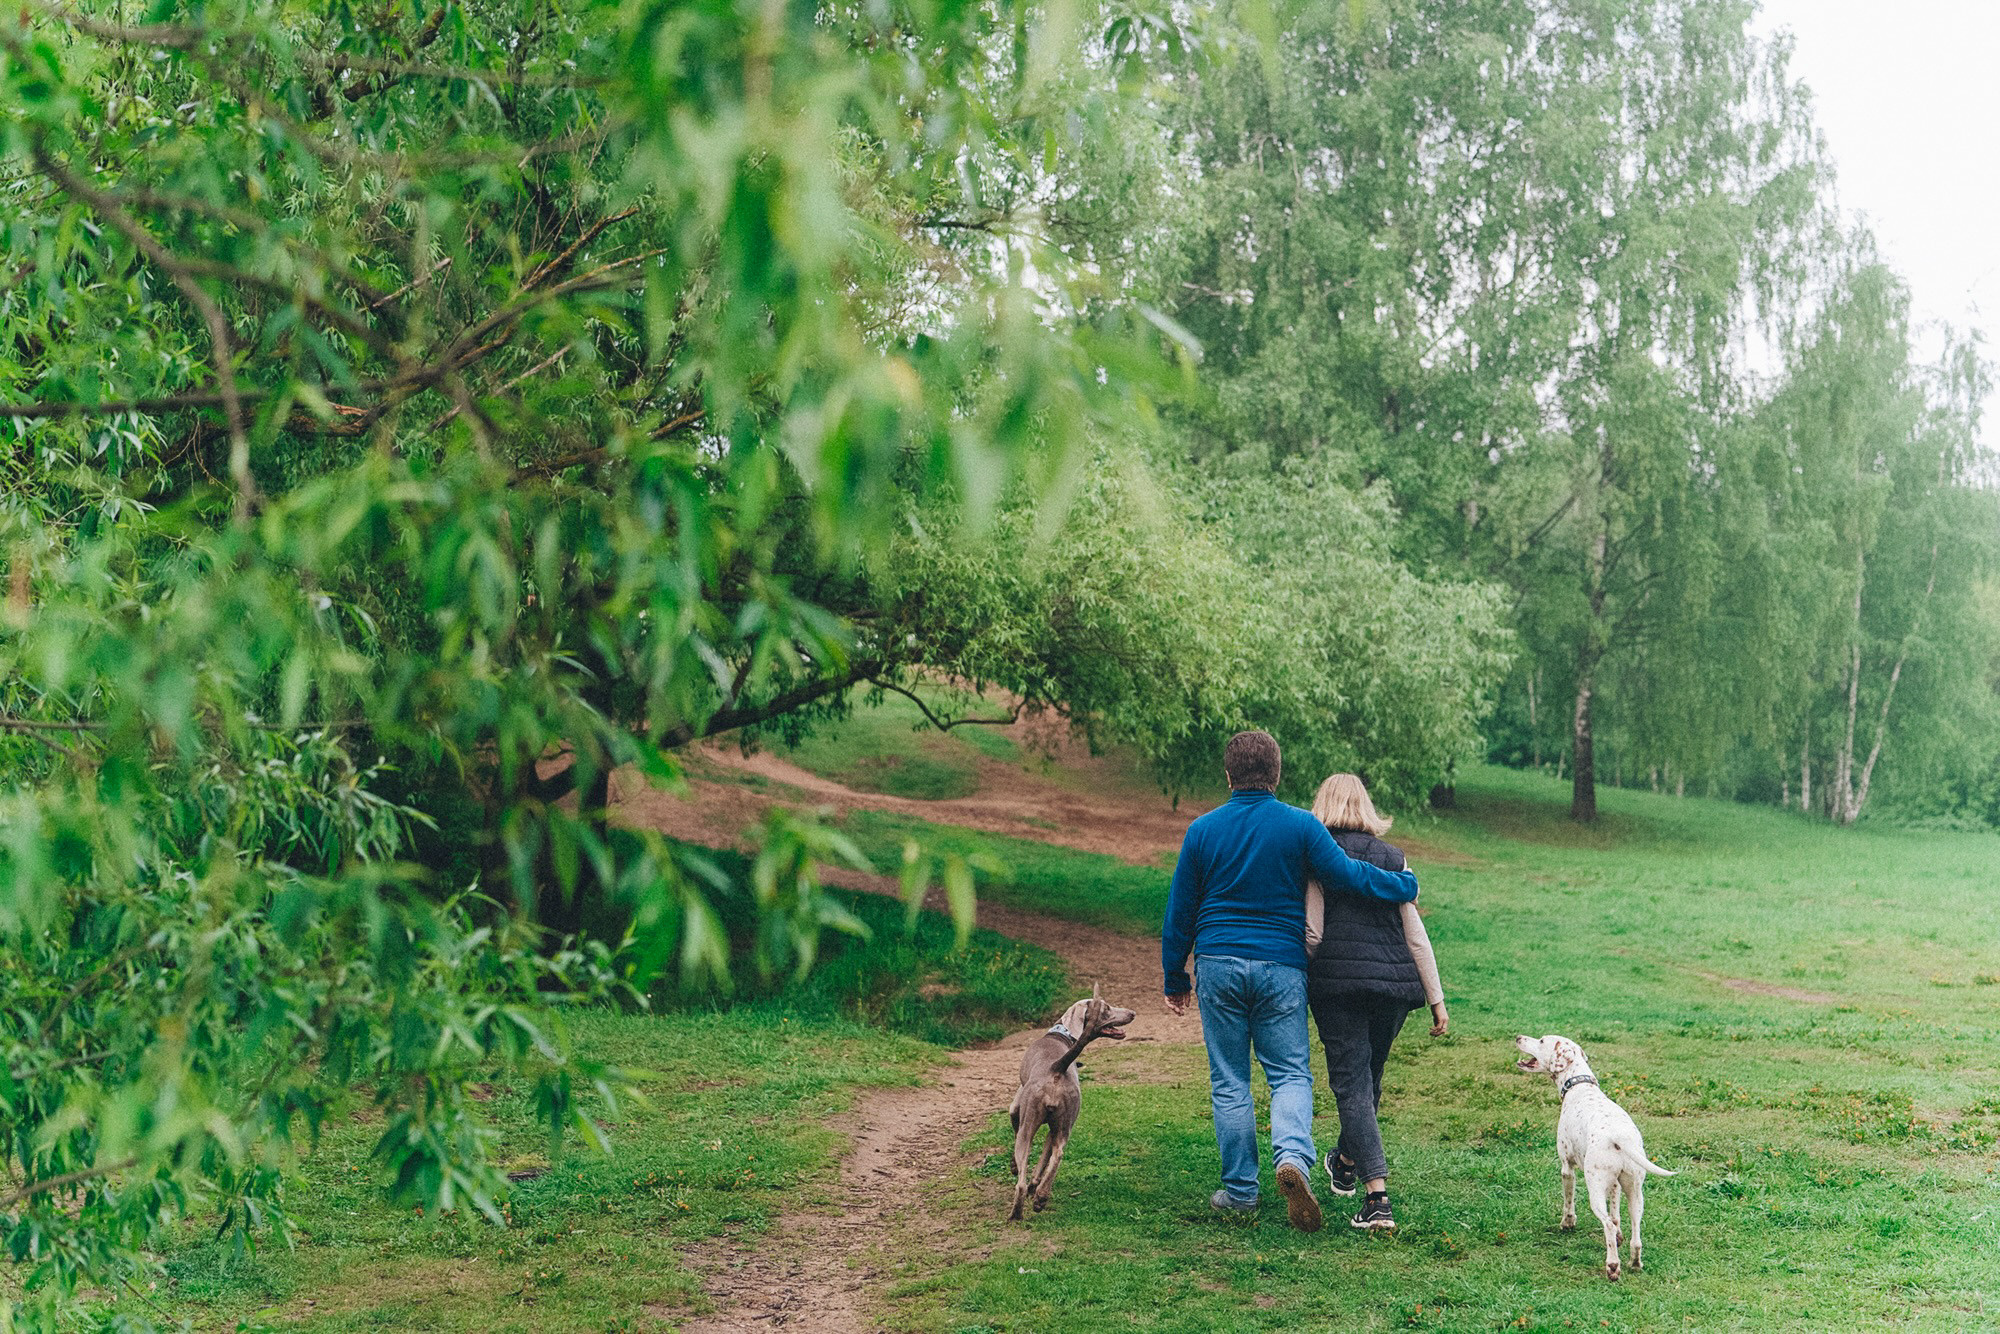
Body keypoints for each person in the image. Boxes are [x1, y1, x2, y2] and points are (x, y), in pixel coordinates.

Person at [1161, 732, 1419, 1231]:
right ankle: (1294, 1161)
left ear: (1228, 776)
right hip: (1281, 965)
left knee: (1230, 1080)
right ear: (1276, 775)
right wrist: (1402, 885)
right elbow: (1349, 875)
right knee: (1290, 1075)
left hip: (1218, 960)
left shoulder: (1202, 830)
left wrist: (1176, 976)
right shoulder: (1301, 825)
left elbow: (1181, 909)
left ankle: (1241, 1192)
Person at [1301, 772, 1447, 1232]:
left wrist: (1297, 978)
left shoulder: (1318, 854)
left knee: (1353, 1086)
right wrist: (1437, 999)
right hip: (1393, 989)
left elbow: (1313, 932)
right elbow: (1415, 935)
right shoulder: (1393, 858)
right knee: (1369, 1080)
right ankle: (1345, 1162)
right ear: (1365, 806)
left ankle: (1377, 1199)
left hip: (1339, 987)